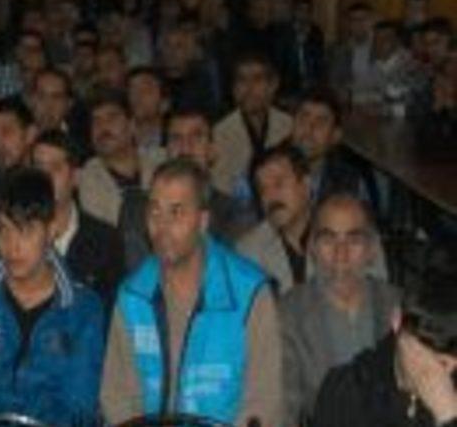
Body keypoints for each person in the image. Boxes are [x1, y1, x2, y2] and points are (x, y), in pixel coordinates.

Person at [100, 158, 282, 426]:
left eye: (176, 212)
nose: (162, 226)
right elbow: (117, 396)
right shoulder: (133, 295)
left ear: (203, 221)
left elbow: (263, 403)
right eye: (154, 212)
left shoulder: (249, 293)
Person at [0, 167, 104, 426]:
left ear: (52, 229)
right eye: (3, 230)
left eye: (26, 231)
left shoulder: (83, 310)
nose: (12, 245)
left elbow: (78, 411)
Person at [281, 194, 399, 426]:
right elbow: (284, 407)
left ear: (371, 249)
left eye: (353, 240)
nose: (340, 255)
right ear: (311, 247)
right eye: (328, 239)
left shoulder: (396, 305)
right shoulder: (288, 315)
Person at [313, 254, 457, 427]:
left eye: (451, 360)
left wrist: (448, 415)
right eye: (428, 353)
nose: (441, 373)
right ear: (397, 321)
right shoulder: (347, 390)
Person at [240, 144, 388, 295]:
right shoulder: (249, 251)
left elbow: (378, 299)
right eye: (262, 189)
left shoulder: (353, 231)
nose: (270, 197)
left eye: (279, 184)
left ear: (306, 184)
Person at [30, 128, 125, 306]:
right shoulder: (16, 237)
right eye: (38, 168)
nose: (44, 178)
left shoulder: (105, 240)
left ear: (75, 177)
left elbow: (111, 310)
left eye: (55, 168)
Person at [79, 90, 164, 271]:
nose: (103, 127)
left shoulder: (160, 161)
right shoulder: (86, 177)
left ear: (132, 126)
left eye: (112, 118)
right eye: (96, 121)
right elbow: (105, 238)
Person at [165, 108, 258, 242]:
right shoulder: (144, 211)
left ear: (212, 150)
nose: (185, 147)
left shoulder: (236, 212)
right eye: (176, 138)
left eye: (196, 137)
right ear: (166, 150)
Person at [211, 53, 292, 196]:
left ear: (273, 85)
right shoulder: (220, 132)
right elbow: (221, 187)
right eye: (241, 80)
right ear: (233, 89)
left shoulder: (289, 125)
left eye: (257, 79)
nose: (249, 88)